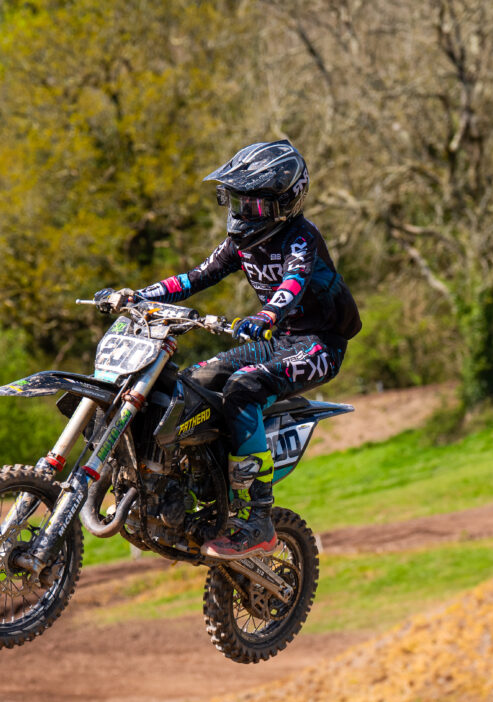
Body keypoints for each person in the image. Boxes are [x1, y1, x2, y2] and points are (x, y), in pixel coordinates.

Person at [132, 139, 362, 559]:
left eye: (251, 204)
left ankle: (259, 518)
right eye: (235, 201)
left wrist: (267, 315)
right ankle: (193, 482)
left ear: (284, 203)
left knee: (243, 387)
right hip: (276, 342)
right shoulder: (241, 243)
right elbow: (197, 276)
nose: (240, 213)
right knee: (191, 383)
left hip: (318, 346)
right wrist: (139, 295)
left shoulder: (301, 238)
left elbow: (292, 283)